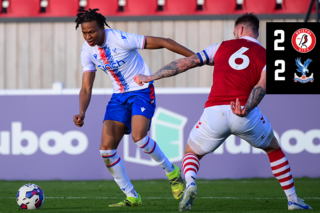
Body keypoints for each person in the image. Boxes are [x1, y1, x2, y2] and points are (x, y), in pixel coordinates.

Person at [134, 13, 313, 211]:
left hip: (215, 112)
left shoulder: (220, 46)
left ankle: (191, 183)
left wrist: (151, 76)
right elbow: (262, 86)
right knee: (273, 149)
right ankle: (293, 200)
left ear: (240, 29)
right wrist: (247, 108)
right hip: (244, 112)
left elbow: (185, 63)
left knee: (191, 152)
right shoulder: (266, 54)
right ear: (257, 32)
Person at [73, 8, 194, 207]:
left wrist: (198, 58)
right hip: (118, 97)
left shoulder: (121, 38)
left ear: (102, 28)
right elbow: (86, 86)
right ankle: (131, 196)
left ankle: (172, 172)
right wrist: (82, 111)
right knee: (106, 150)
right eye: (84, 33)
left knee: (139, 138)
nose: (88, 36)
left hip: (141, 90)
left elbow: (165, 42)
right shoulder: (87, 51)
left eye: (92, 32)